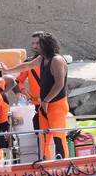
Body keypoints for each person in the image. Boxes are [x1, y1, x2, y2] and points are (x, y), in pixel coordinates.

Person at [8, 31, 70, 160]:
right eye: (34, 44)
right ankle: (45, 163)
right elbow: (27, 65)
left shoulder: (57, 60)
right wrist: (7, 71)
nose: (35, 47)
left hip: (56, 105)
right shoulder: (42, 59)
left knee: (58, 137)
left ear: (46, 45)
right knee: (43, 138)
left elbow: (59, 84)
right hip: (44, 105)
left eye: (38, 44)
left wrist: (46, 101)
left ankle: (64, 164)